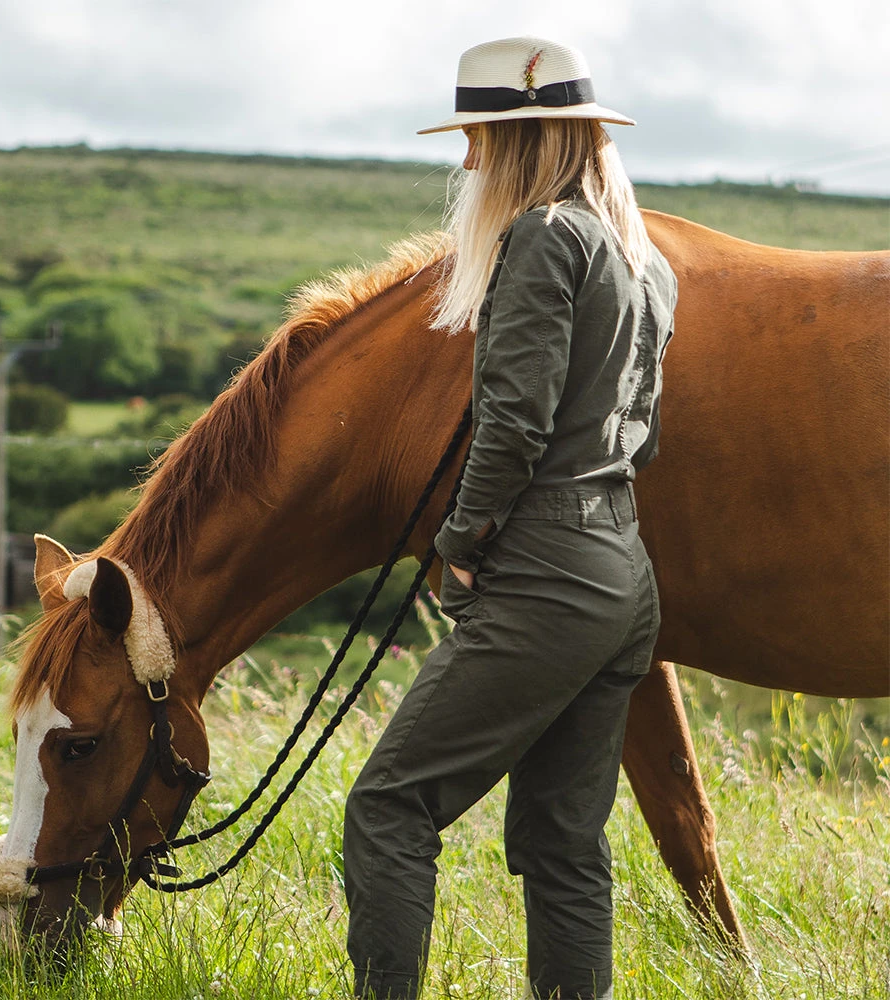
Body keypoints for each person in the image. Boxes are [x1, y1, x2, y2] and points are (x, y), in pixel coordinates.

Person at [342, 37, 677, 1000]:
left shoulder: (540, 241)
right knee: (562, 842)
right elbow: (641, 440)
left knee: (389, 807)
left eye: (481, 140)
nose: (467, 162)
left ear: (523, 141)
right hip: (624, 569)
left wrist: (459, 541)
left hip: (548, 567)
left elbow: (516, 425)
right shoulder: (642, 262)